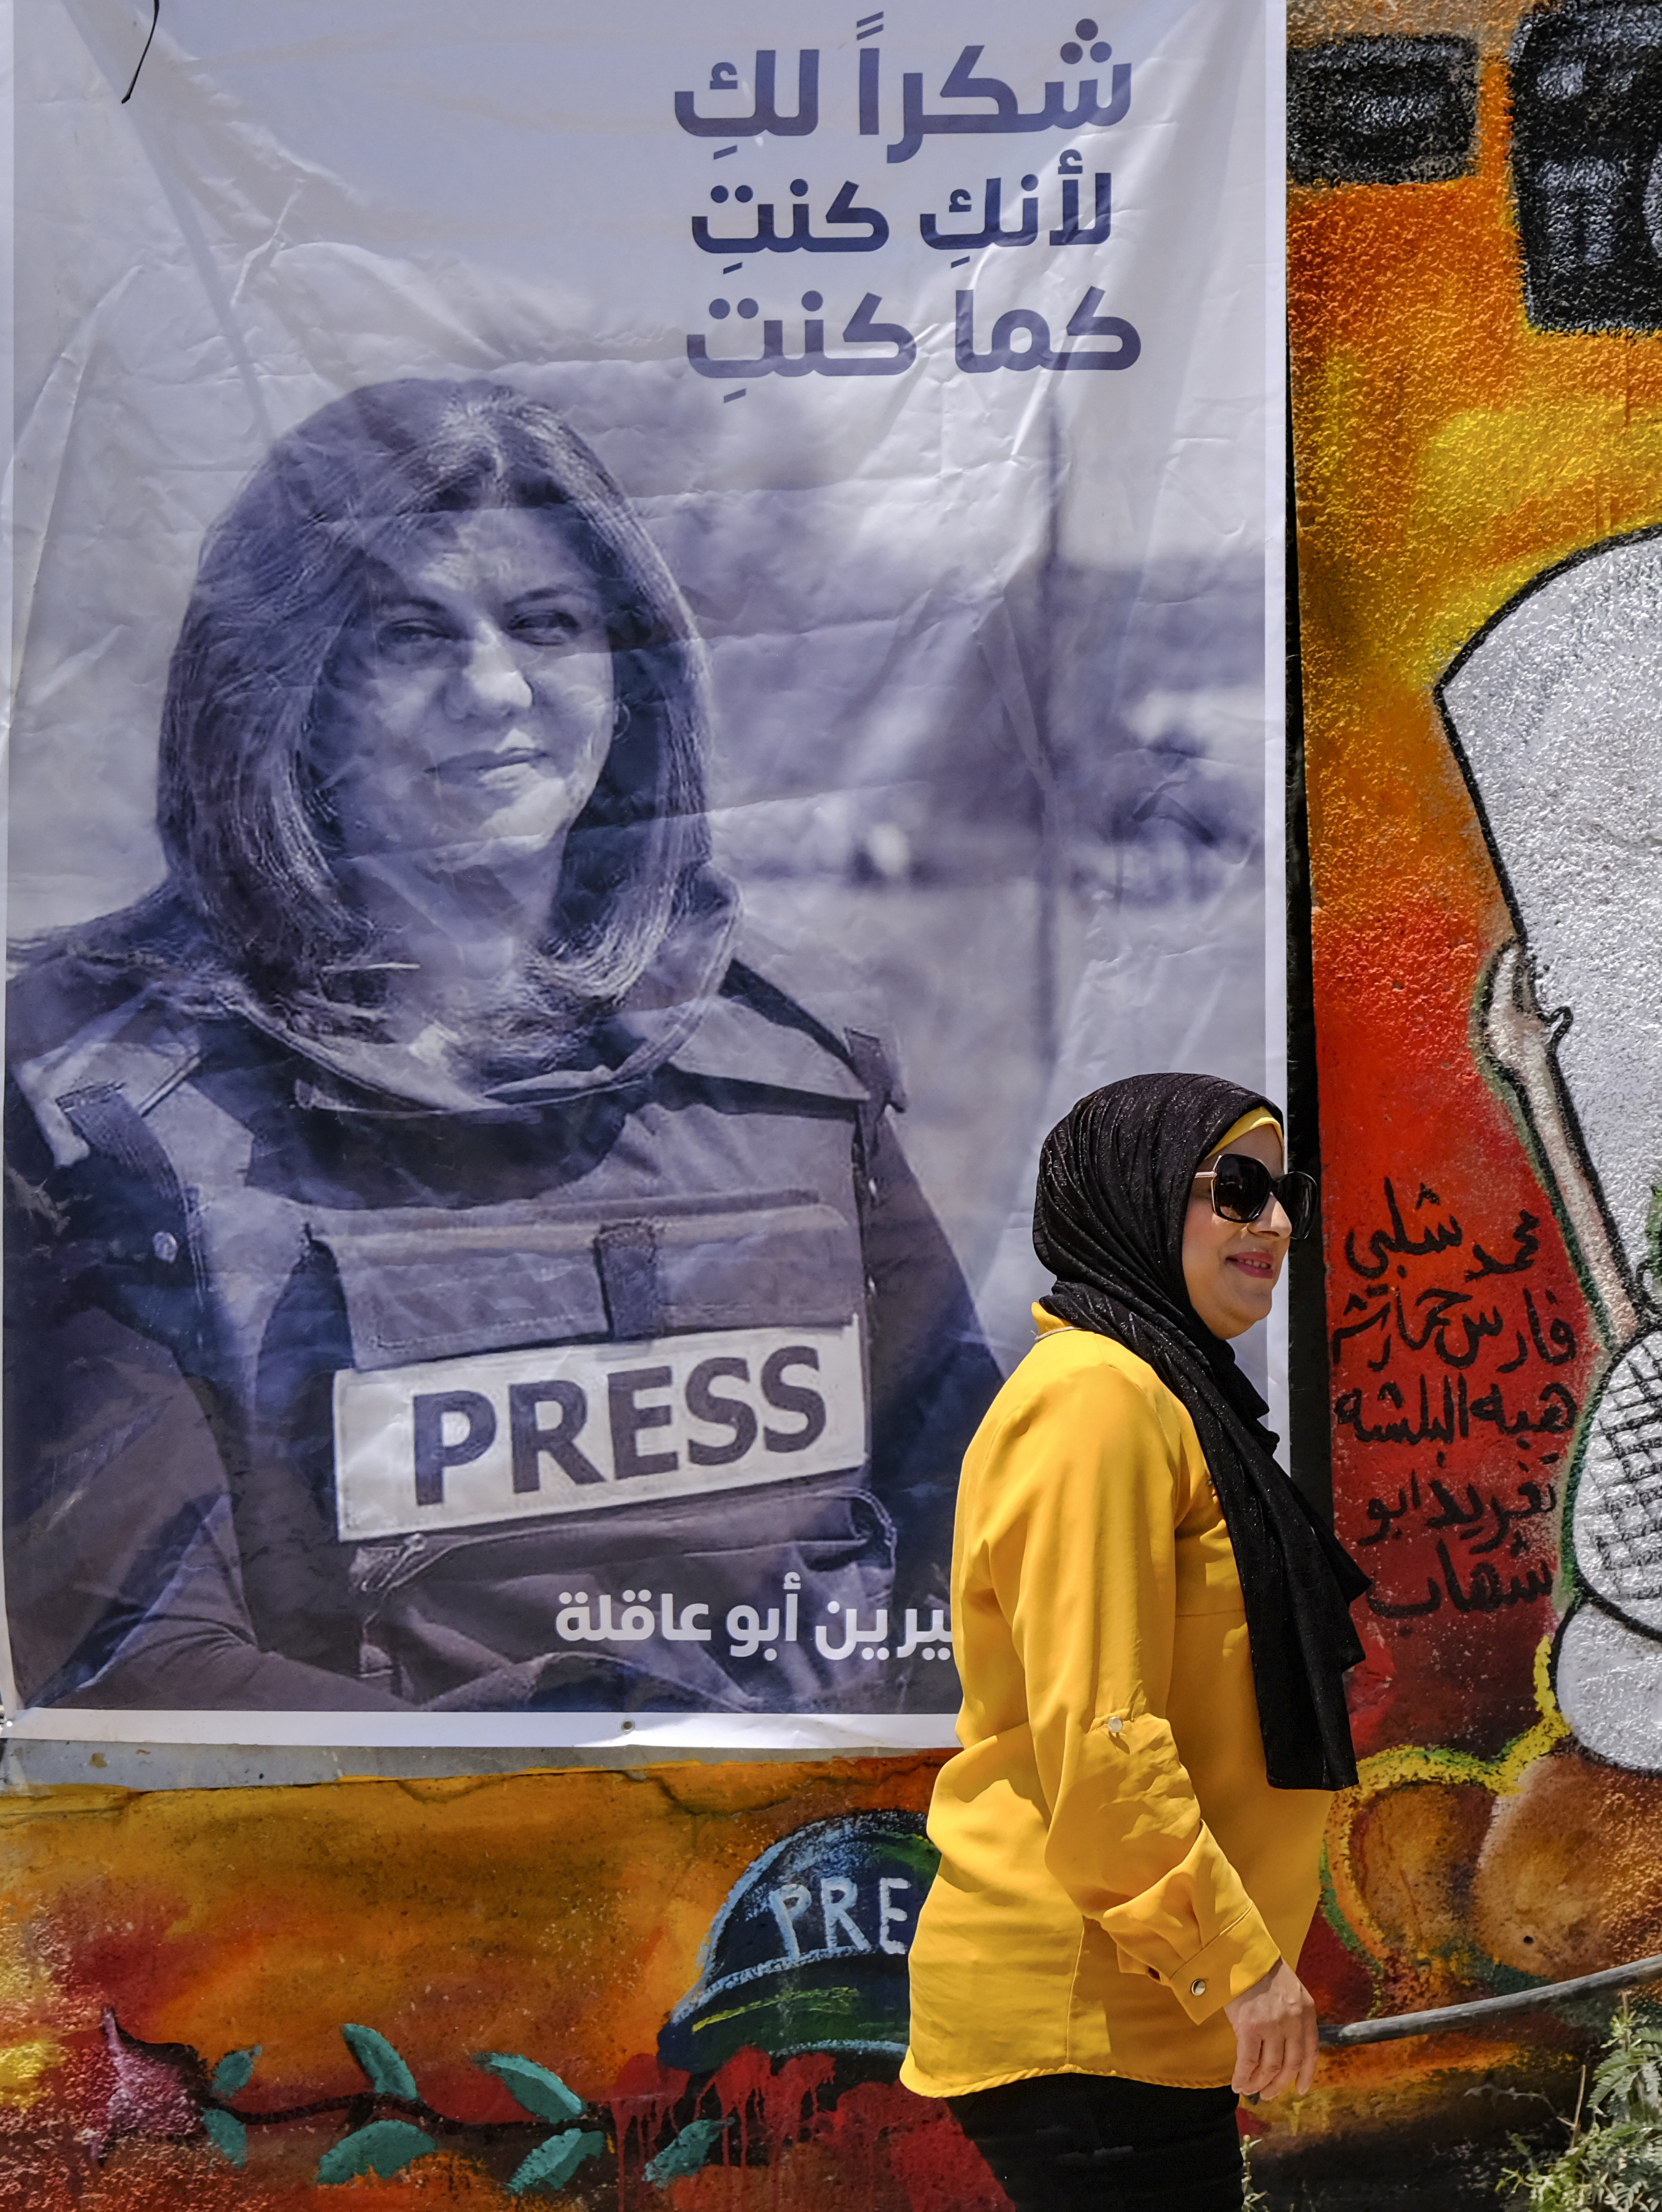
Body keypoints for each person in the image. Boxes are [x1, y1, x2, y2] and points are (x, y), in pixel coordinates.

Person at [2, 378, 997, 1712]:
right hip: (388, 1893)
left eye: (549, 625)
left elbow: (990, 1546)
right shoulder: (107, 1105)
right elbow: (145, 1678)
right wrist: (593, 1771)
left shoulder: (792, 1065)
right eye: (411, 635)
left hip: (816, 1880)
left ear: (629, 678)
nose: (496, 690)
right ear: (286, 688)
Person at [904, 1074, 1367, 2208]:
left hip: (1147, 2005)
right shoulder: (1097, 1400)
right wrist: (1241, 1963)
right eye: (1239, 1189)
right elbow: (1101, 1736)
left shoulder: (1167, 1394)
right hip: (1089, 2004)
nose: (1275, 1224)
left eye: (1284, 1192)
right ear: (1138, 1195)